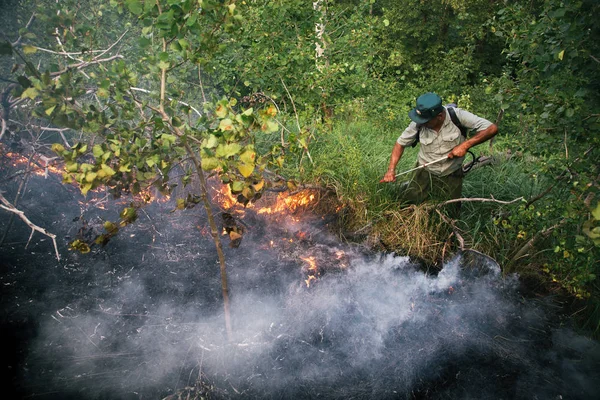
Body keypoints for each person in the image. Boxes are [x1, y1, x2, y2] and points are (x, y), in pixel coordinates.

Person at [380, 92, 498, 210]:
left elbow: (491, 128)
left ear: (440, 116)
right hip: (424, 171)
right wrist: (391, 170)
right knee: (409, 204)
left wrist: (465, 145)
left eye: (426, 120)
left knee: (450, 209)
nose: (422, 123)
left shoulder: (457, 116)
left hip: (452, 173)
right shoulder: (418, 123)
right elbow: (400, 144)